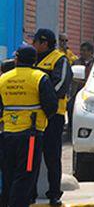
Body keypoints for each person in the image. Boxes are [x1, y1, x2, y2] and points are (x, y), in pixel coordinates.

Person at [0, 45, 57, 207]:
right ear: (35, 60)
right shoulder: (40, 78)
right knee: (26, 175)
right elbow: (51, 106)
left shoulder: (3, 78)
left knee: (8, 175)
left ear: (17, 59)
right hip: (30, 137)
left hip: (7, 135)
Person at [31, 29, 70, 207]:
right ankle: (30, 192)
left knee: (52, 156)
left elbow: (60, 85)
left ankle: (54, 194)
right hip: (33, 118)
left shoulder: (59, 59)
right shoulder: (31, 58)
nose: (33, 44)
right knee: (32, 156)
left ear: (44, 43)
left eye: (36, 41)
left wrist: (44, 103)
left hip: (53, 117)